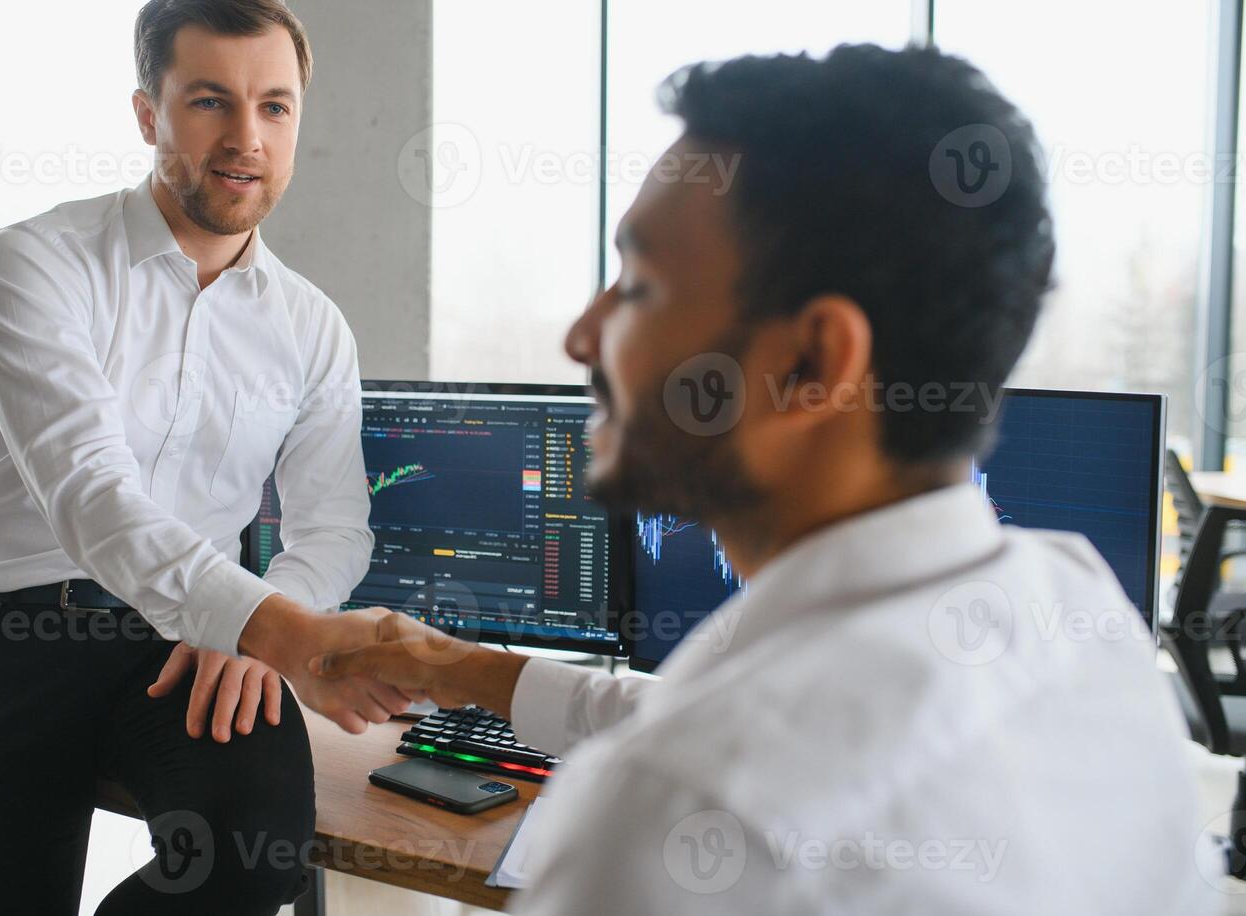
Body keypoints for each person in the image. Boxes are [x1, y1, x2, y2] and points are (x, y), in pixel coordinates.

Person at [312, 45, 1210, 913]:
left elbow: (728, 751)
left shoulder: (675, 816)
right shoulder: (1077, 612)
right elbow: (763, 722)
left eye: (640, 286)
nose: (582, 338)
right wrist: (468, 669)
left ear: (815, 360)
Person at [0, 0, 408, 915]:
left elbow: (336, 527)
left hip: (191, 643)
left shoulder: (312, 326)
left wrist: (261, 627)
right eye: (209, 101)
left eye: (273, 106)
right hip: (16, 629)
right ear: (148, 114)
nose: (244, 139)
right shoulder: (31, 265)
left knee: (255, 859)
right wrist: (279, 630)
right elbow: (93, 496)